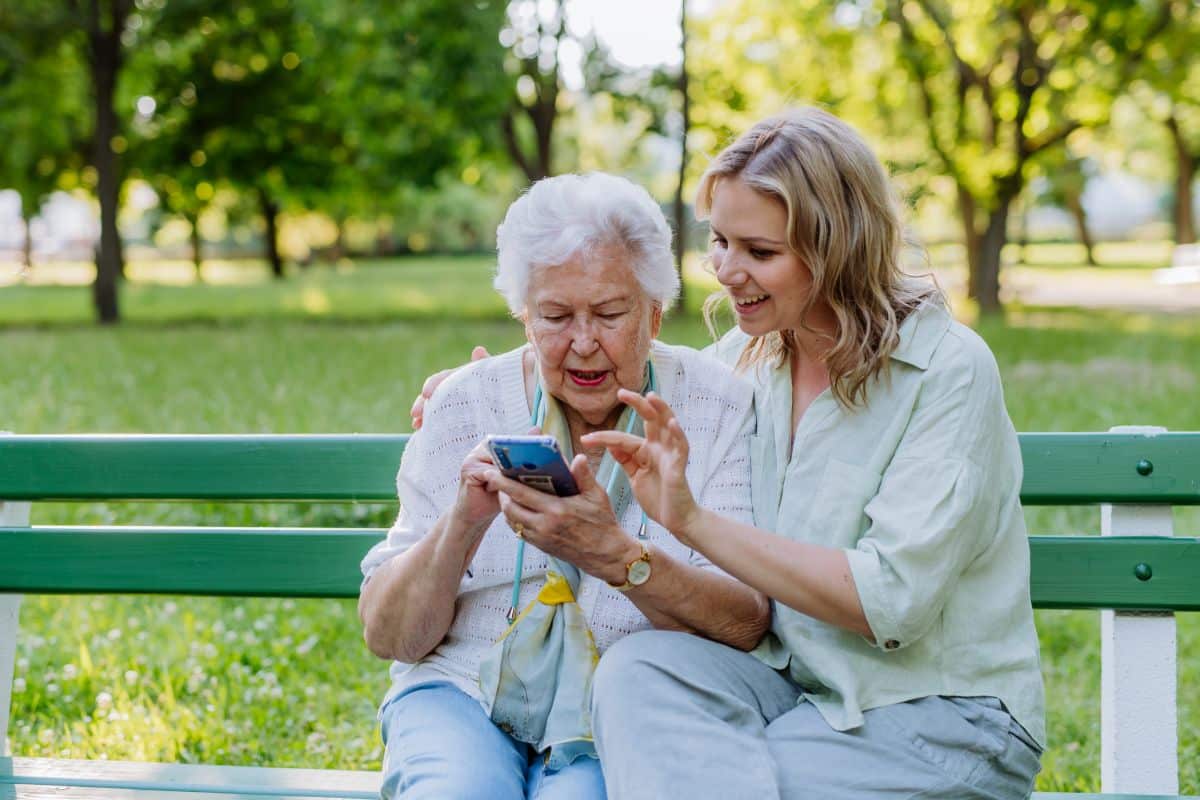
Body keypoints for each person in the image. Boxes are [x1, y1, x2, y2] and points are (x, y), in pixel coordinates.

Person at [414, 108, 1046, 799]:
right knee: (637, 670)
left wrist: (689, 521)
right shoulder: (747, 362)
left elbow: (891, 603)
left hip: (931, 715)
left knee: (680, 776)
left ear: (838, 248)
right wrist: (475, 389)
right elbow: (628, 367)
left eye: (760, 253)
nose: (726, 272)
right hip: (788, 693)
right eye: (719, 243)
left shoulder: (946, 369)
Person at [358, 171, 769, 800]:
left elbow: (747, 623)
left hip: (622, 706)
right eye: (554, 316)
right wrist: (463, 524)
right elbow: (390, 638)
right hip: (459, 689)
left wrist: (614, 555)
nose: (582, 344)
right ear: (523, 316)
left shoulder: (717, 408)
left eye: (609, 314)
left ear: (655, 313)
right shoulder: (465, 405)